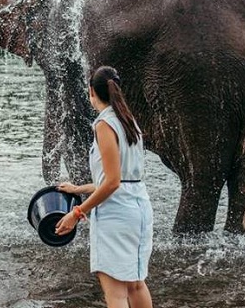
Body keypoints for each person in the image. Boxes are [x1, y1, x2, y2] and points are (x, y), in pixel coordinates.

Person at [55, 65, 154, 308]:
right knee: (136, 284)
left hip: (116, 214)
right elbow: (121, 178)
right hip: (139, 208)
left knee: (116, 291)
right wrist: (78, 189)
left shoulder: (104, 124)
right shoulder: (129, 121)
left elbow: (112, 182)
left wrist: (77, 213)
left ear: (91, 91)